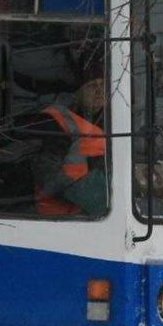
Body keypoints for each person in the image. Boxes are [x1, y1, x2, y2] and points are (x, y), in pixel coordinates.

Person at [30, 59, 108, 217]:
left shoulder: (106, 118)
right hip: (58, 218)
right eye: (92, 86)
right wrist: (99, 197)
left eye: (103, 85)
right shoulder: (55, 122)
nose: (100, 91)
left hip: (87, 213)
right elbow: (48, 176)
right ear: (77, 92)